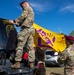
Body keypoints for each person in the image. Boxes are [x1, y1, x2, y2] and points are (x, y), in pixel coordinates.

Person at [9, 1, 35, 69]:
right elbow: (24, 21)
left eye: (22, 6)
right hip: (31, 30)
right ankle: (31, 64)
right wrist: (16, 23)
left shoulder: (27, 8)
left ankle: (17, 63)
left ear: (25, 4)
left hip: (25, 30)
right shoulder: (31, 11)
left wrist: (14, 21)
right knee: (30, 48)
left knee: (20, 46)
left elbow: (23, 16)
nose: (22, 7)